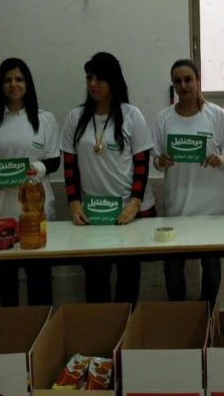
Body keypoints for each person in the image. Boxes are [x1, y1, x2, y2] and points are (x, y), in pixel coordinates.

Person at [61, 52, 155, 306]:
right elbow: (69, 165)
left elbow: (142, 165)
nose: (93, 84)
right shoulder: (75, 117)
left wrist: (134, 204)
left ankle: (127, 329)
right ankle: (100, 329)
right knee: (95, 282)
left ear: (113, 81)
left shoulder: (132, 115)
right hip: (94, 212)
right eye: (89, 78)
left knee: (127, 282)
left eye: (100, 79)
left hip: (128, 212)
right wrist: (73, 202)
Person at [0, 58, 60, 307]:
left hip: (36, 209)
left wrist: (35, 169)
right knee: (6, 278)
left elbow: (54, 160)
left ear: (27, 83)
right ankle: (12, 326)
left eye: (19, 79)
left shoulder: (45, 119)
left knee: (39, 276)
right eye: (7, 80)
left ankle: (43, 327)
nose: (13, 84)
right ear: (0, 85)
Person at [152, 59, 224, 308]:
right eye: (177, 81)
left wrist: (220, 159)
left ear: (198, 81)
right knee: (173, 266)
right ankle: (181, 315)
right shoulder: (163, 118)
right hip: (178, 205)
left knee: (211, 265)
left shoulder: (215, 114)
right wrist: (161, 161)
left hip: (213, 206)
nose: (183, 85)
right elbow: (156, 160)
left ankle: (207, 314)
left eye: (188, 79)